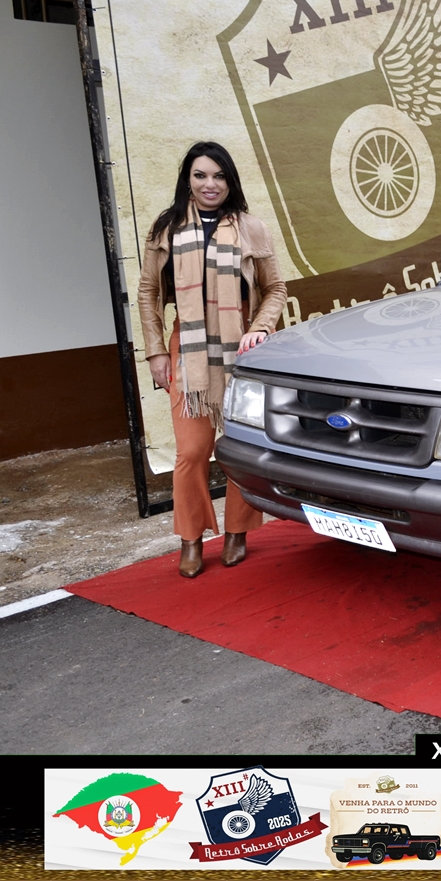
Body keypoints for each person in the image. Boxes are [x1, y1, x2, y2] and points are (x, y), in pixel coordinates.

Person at [137, 142, 287, 578]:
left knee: (239, 446)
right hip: (187, 350)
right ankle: (190, 539)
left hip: (241, 348)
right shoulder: (166, 229)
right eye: (201, 175)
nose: (210, 184)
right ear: (188, 179)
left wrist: (261, 327)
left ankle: (238, 532)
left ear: (230, 181)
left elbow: (275, 288)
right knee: (191, 451)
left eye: (219, 176)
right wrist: (156, 351)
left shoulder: (251, 228)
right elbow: (148, 292)